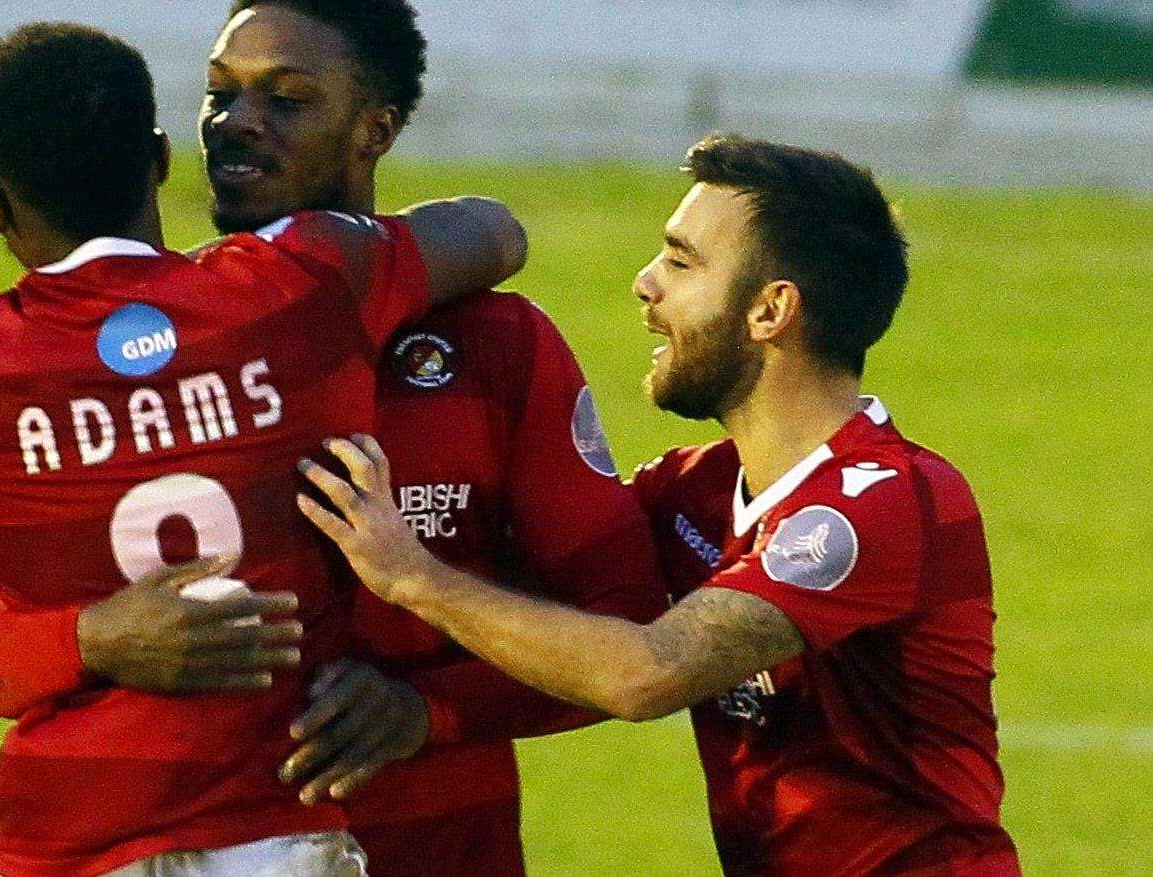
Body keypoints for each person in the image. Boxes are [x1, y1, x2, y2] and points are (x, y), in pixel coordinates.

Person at [0, 0, 661, 876]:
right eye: (218, 93)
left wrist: (430, 712)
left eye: (287, 99)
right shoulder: (158, 350)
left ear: (375, 130)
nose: (238, 123)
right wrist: (94, 638)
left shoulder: (498, 348)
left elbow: (627, 621)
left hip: (440, 845)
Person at [299, 136, 1022, 875]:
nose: (646, 283)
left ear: (771, 310)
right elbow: (558, 607)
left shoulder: (881, 501)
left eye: (681, 262)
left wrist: (410, 574)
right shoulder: (694, 491)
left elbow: (644, 672)